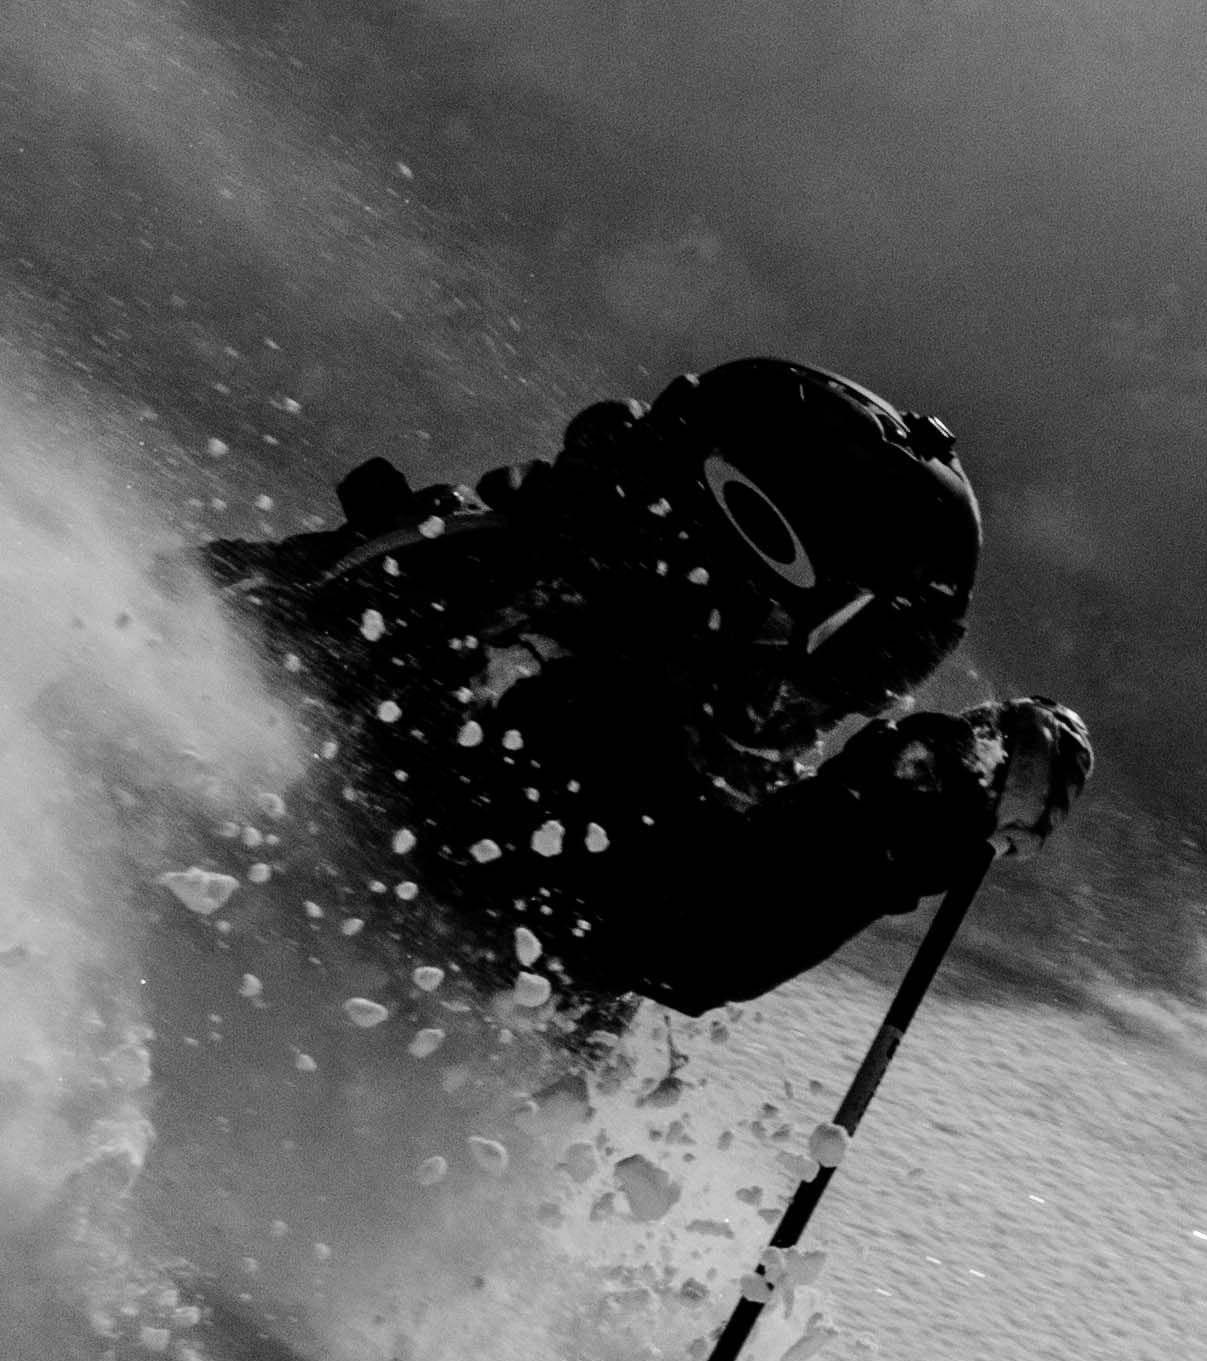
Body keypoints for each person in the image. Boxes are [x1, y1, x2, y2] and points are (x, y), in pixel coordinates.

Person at [205, 356, 1091, 1022]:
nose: (796, 722)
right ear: (766, 583)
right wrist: (915, 803)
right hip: (231, 992)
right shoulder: (556, 663)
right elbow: (683, 934)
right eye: (819, 679)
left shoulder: (548, 581)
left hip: (270, 1025)